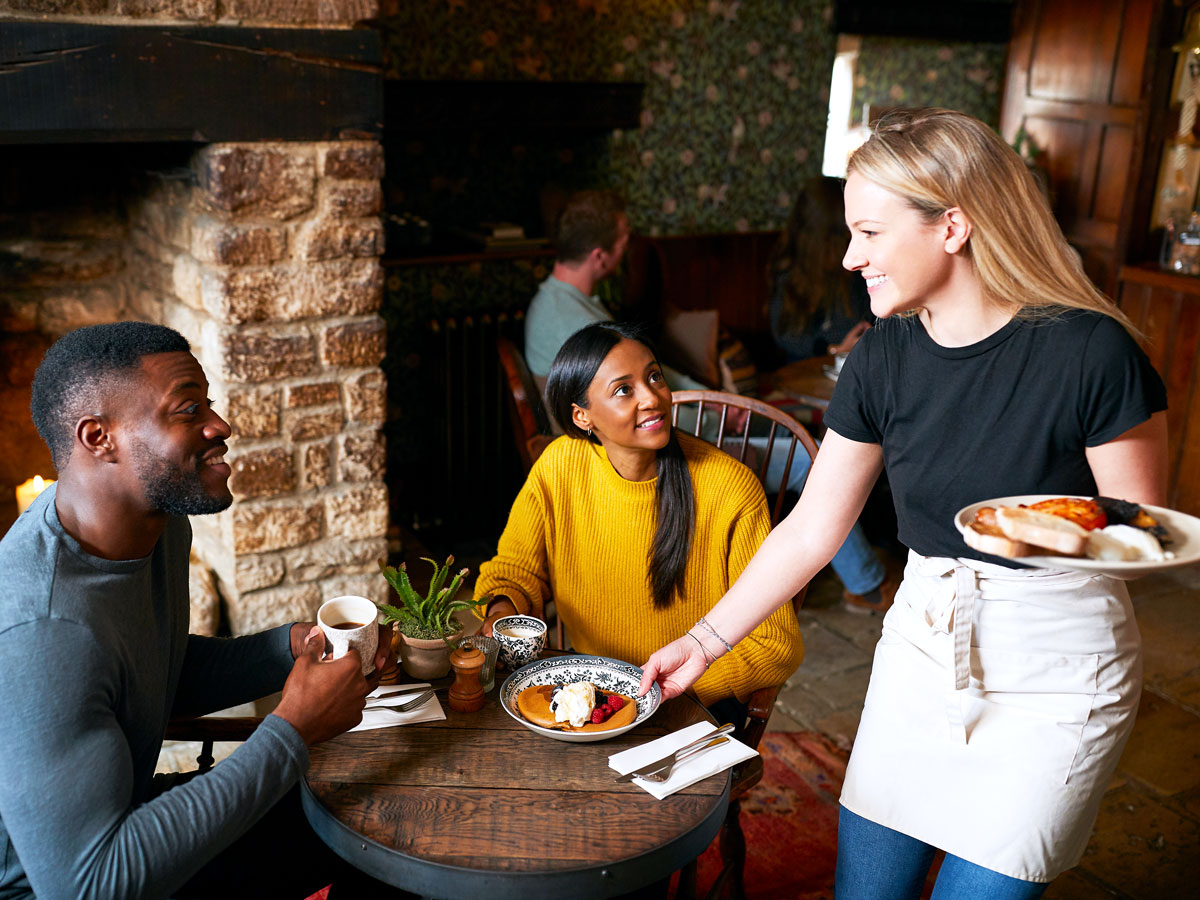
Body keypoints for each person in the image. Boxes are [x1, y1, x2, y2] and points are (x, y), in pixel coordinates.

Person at [638, 108, 1168, 898]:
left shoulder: (1091, 351)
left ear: (952, 225)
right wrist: (703, 642)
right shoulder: (882, 355)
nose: (850, 257)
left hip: (1057, 671)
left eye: (871, 233)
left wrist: (1031, 535)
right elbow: (814, 526)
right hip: (922, 648)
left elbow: (1139, 540)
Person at [0, 322, 403, 900]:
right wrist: (291, 729)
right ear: (98, 438)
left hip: (128, 823)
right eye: (189, 410)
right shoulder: (41, 630)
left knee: (380, 818)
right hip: (70, 885)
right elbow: (87, 884)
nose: (220, 426)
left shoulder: (155, 524)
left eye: (207, 404)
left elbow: (152, 670)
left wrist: (290, 646)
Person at [527, 190, 895, 612]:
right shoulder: (577, 323)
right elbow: (643, 407)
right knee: (807, 461)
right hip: (641, 453)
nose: (629, 243)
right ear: (599, 255)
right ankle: (864, 583)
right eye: (625, 236)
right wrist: (720, 408)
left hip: (629, 443)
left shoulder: (558, 301)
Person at [474, 322, 803, 719]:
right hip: (585, 693)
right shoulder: (559, 466)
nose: (653, 398)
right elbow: (514, 570)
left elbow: (774, 644)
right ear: (582, 417)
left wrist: (670, 693)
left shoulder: (730, 488)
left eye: (654, 377)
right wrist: (500, 613)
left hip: (690, 701)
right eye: (624, 389)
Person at [524, 188, 706, 392]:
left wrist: (703, 393)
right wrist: (718, 417)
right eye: (624, 244)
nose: (625, 252)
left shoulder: (552, 298)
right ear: (600, 257)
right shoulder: (582, 328)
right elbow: (645, 408)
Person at [767, 174, 873, 363]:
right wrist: (833, 350)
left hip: (858, 362)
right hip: (806, 368)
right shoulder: (789, 269)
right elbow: (785, 334)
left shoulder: (859, 269)